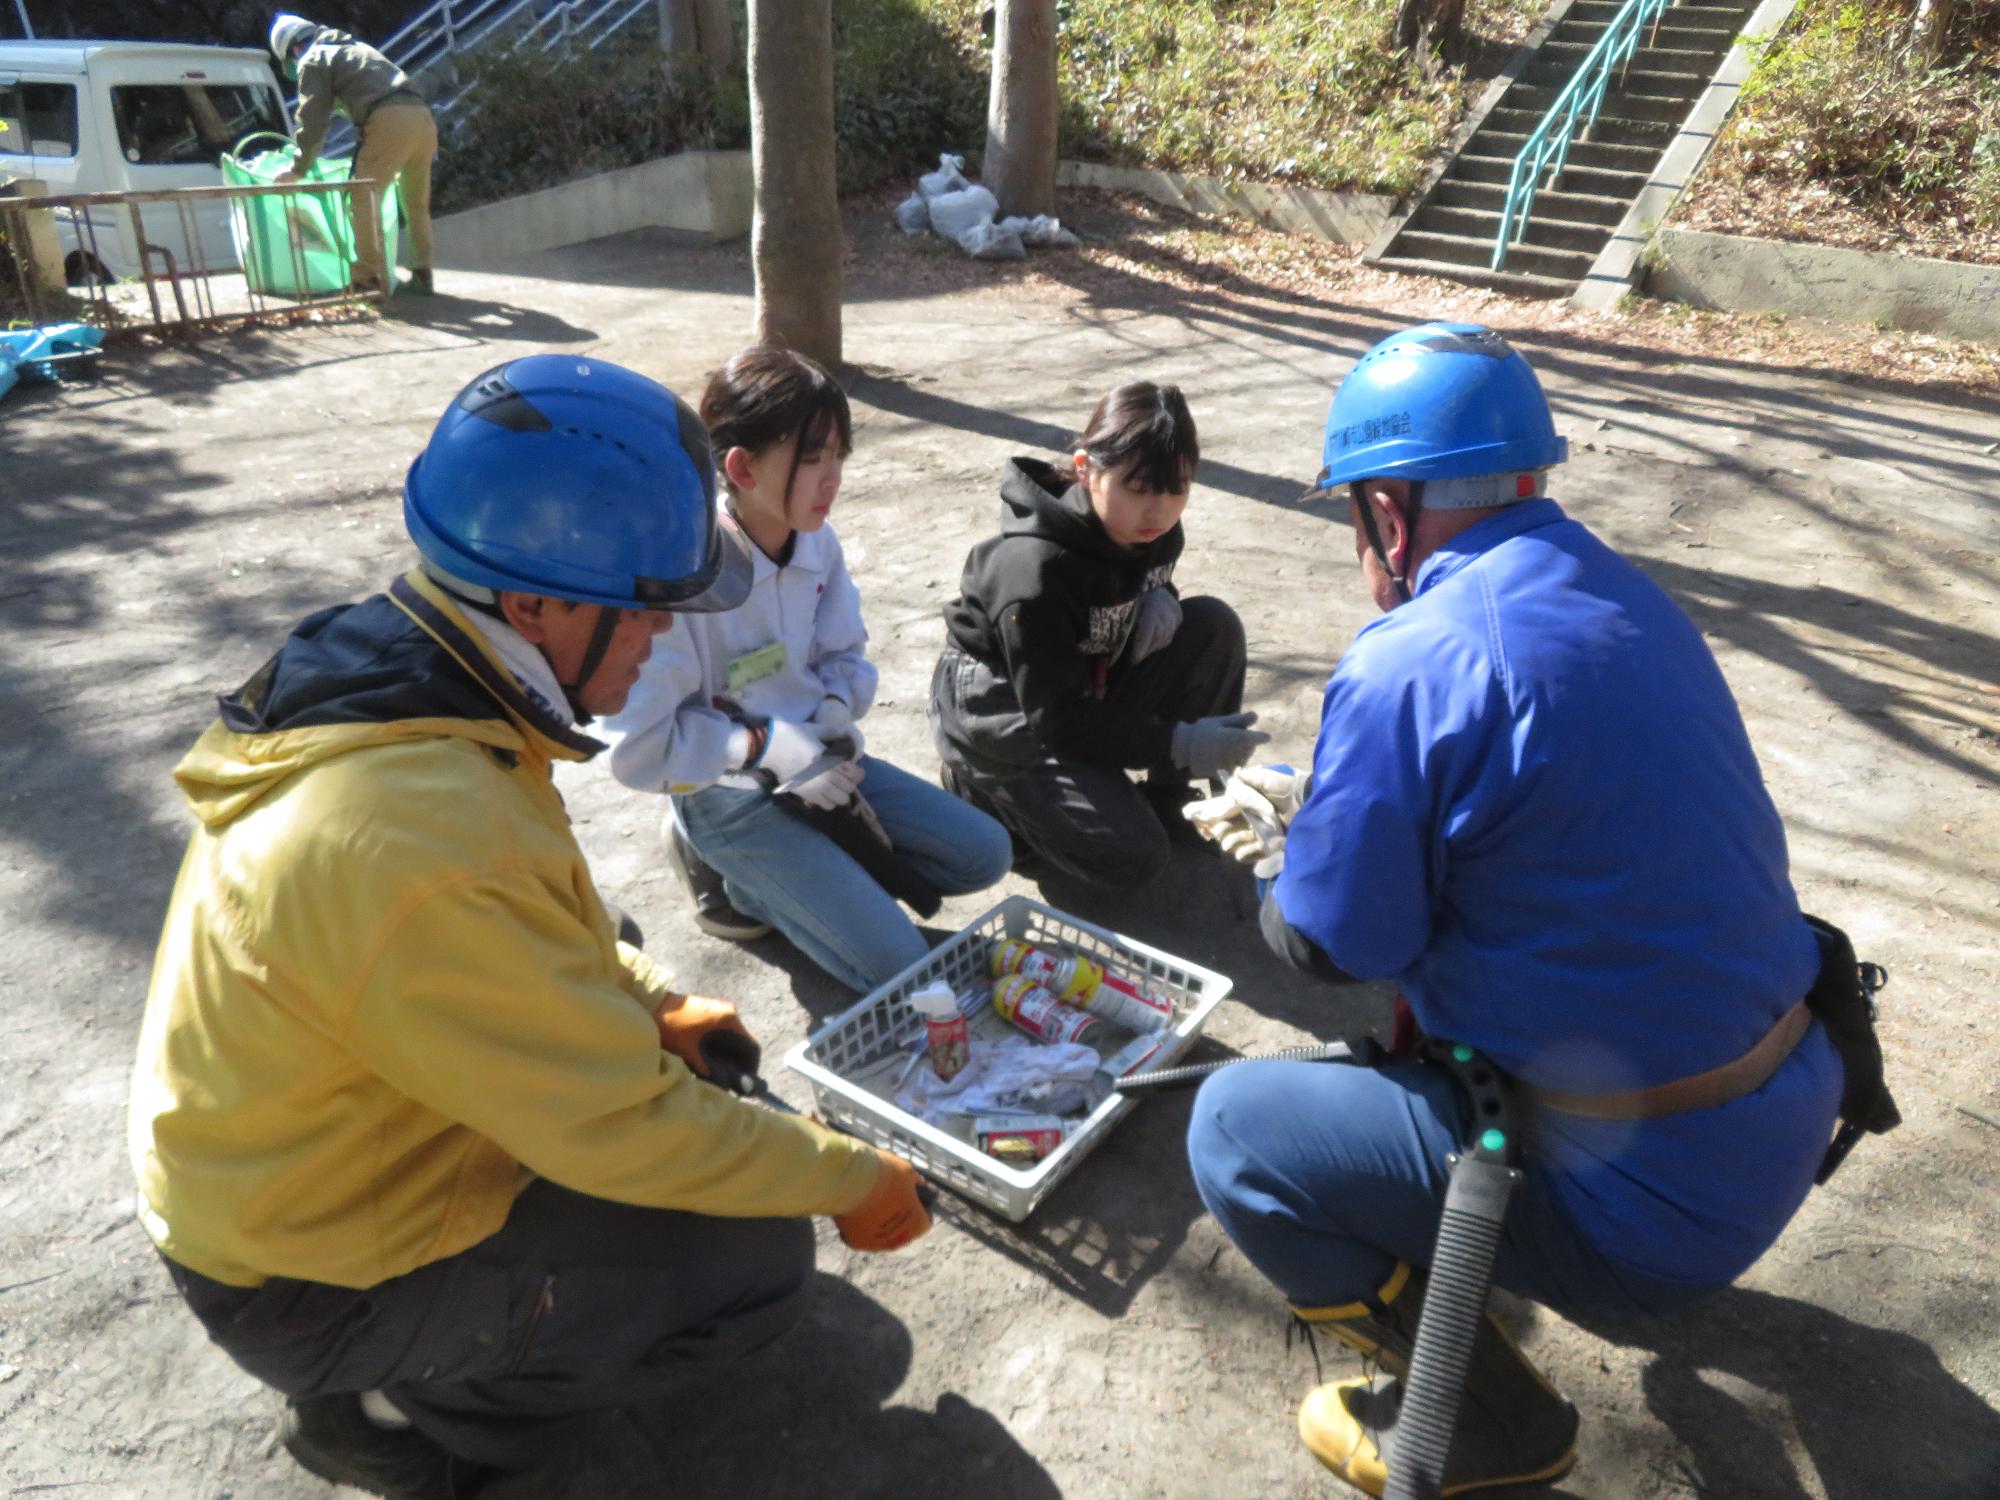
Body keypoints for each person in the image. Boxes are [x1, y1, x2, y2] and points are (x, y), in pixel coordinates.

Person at [128, 355, 932, 1500]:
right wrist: (845, 1174)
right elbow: (614, 1124)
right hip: (307, 1267)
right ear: (535, 602)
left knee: (716, 1131)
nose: (664, 638)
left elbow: (537, 909)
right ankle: (392, 1401)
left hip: (317, 1161)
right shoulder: (416, 835)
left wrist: (650, 997)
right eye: (647, 606)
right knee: (755, 1258)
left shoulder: (425, 683)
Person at [1182, 324, 1847, 1496]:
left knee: (1235, 1130)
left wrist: (1281, 857)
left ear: (1385, 515)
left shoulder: (1411, 657)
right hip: (1785, 1113)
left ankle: (1490, 1426)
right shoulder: (1628, 596)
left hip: (1649, 1221)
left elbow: (1336, 942)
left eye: (1354, 516)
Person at [604, 346, 1013, 994]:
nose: (833, 479)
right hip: (725, 793)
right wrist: (767, 751)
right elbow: (640, 748)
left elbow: (844, 656)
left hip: (822, 763)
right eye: (813, 458)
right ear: (740, 466)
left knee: (984, 854)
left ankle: (800, 876)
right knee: (904, 973)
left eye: (839, 458)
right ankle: (726, 871)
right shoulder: (682, 575)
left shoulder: (816, 541)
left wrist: (828, 721)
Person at [929, 381, 1264, 889]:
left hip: (1084, 670)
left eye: (1177, 488)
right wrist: (1182, 742)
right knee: (1132, 858)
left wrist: (1164, 598)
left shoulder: (1150, 529)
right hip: (1002, 703)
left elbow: (1141, 576)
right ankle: (984, 791)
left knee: (1212, 627)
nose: (1159, 510)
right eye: (1138, 488)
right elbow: (1059, 720)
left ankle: (1167, 800)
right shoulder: (1033, 575)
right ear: (1086, 469)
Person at [268, 12, 436, 296]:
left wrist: (298, 168)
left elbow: (313, 119)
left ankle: (367, 280)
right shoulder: (356, 48)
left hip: (388, 121)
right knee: (415, 202)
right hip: (422, 119)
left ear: (294, 49)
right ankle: (422, 274)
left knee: (361, 198)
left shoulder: (313, 58)